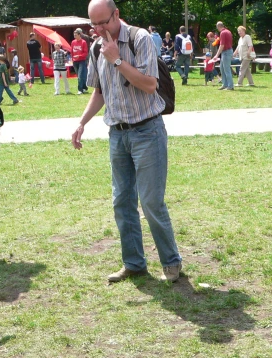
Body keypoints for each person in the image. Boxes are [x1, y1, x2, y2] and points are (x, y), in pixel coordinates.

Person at [72, 0, 182, 283]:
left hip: (147, 131)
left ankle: (171, 262)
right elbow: (99, 92)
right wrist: (82, 122)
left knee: (150, 201)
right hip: (117, 134)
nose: (97, 30)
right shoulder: (97, 46)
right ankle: (134, 263)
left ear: (116, 15)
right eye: (93, 25)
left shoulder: (139, 38)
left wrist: (117, 59)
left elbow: (149, 84)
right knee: (121, 201)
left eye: (103, 23)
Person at [212, 21, 234, 90]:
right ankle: (224, 84)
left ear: (218, 26)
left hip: (226, 52)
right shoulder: (228, 31)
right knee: (222, 68)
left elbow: (222, 45)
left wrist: (216, 55)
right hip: (227, 51)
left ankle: (230, 86)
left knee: (226, 69)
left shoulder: (223, 33)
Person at [72, 28, 89, 94]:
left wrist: (79, 56)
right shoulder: (73, 42)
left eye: (76, 35)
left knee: (80, 75)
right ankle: (84, 87)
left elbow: (85, 52)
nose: (74, 36)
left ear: (79, 35)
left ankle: (80, 90)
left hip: (82, 61)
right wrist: (72, 59)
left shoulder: (83, 42)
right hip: (75, 61)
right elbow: (72, 51)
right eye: (74, 35)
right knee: (80, 76)